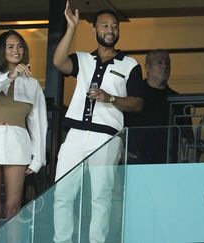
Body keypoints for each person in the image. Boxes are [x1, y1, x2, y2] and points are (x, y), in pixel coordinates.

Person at [53, 2, 145, 242]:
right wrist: (71, 27)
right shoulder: (82, 59)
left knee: (101, 197)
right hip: (74, 133)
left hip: (106, 136)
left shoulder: (130, 64)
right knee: (62, 192)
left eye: (114, 26)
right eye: (104, 25)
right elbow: (58, 62)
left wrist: (110, 98)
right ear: (94, 29)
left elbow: (138, 103)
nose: (110, 29)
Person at [0, 30, 47, 219]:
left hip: (17, 144)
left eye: (20, 46)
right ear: (2, 50)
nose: (17, 50)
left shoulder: (32, 85)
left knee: (13, 206)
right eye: (11, 46)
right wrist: (10, 76)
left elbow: (38, 123)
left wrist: (38, 158)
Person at [125, 49, 193, 163]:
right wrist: (121, 151)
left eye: (167, 63)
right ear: (147, 67)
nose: (165, 67)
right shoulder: (132, 95)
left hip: (167, 163)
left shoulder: (178, 100)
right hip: (135, 162)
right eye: (160, 63)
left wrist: (187, 161)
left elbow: (187, 137)